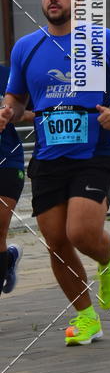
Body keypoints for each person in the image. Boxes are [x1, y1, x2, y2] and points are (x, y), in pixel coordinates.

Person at [0, 0, 110, 343]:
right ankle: (86, 317)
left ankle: (108, 257)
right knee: (57, 241)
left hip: (94, 151)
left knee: (80, 231)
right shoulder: (26, 47)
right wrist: (8, 111)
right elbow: (17, 99)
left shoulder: (103, 39)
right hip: (48, 156)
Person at [0, 63, 34, 296]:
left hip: (7, 162)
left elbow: (36, 110)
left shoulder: (7, 76)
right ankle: (9, 258)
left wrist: (10, 115)